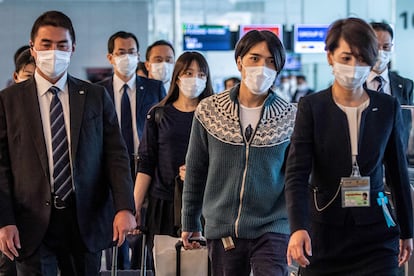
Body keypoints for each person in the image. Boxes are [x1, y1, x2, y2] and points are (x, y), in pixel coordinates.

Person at [0, 10, 136, 276]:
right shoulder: (9, 101)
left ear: (73, 48)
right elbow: (1, 166)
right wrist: (4, 221)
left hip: (84, 218)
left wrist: (124, 207)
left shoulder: (95, 96)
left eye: (61, 45)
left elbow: (116, 156)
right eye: (46, 45)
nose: (54, 51)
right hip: (30, 222)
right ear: (33, 48)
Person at [285, 17, 413, 275]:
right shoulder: (312, 106)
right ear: (330, 56)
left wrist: (407, 231)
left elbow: (398, 172)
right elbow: (297, 174)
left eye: (362, 58)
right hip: (323, 232)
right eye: (346, 58)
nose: (354, 66)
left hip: (376, 233)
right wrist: (298, 227)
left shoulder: (386, 107)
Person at [181, 30, 297, 276]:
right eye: (255, 58)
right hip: (223, 227)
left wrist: (300, 226)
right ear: (239, 61)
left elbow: (296, 178)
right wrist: (189, 220)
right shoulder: (209, 110)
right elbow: (196, 168)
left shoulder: (290, 116)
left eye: (270, 62)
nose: (262, 67)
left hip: (273, 225)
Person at [134, 51, 214, 269]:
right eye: (189, 73)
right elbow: (146, 163)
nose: (194, 79)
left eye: (201, 74)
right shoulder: (159, 114)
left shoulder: (215, 116)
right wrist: (135, 206)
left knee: (201, 267)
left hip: (205, 205)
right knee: (165, 265)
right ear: (178, 76)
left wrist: (200, 171)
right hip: (164, 204)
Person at [97, 30, 166, 271]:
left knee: (142, 233)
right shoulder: (98, 91)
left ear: (139, 55)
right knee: (114, 231)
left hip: (145, 166)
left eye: (132, 52)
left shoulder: (155, 88)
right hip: (111, 169)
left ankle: (140, 269)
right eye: (121, 52)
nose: (127, 57)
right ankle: (119, 269)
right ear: (110, 57)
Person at [0, 48, 36, 276]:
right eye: (28, 76)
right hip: (8, 205)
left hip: (34, 211)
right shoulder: (5, 106)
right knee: (8, 266)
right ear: (16, 77)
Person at [366, 22, 414, 149]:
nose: (381, 52)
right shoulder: (356, 83)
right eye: (376, 46)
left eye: (386, 47)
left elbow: (406, 124)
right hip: (365, 156)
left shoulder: (405, 85)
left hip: (397, 154)